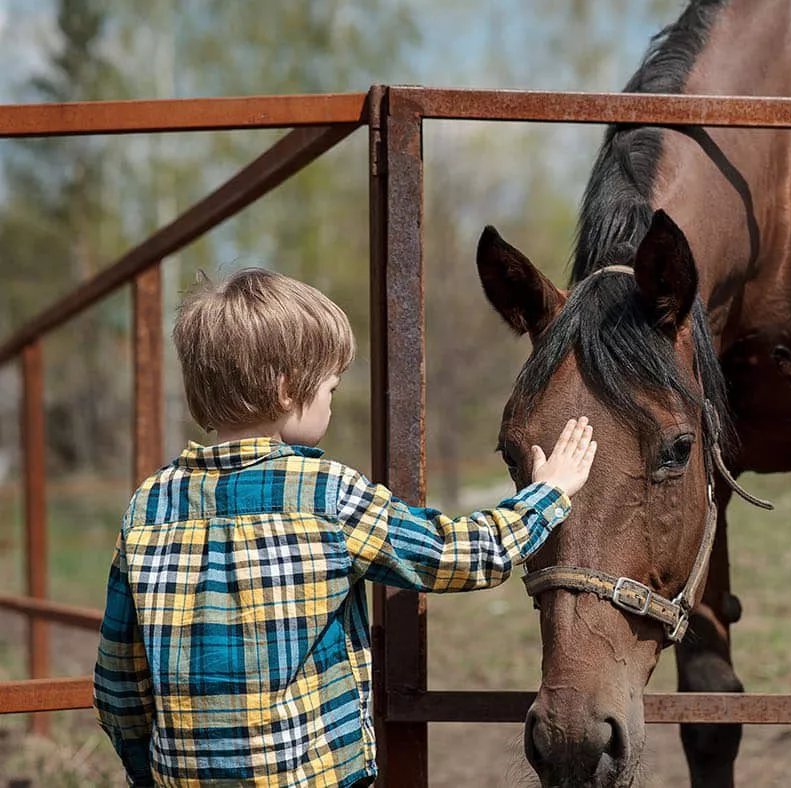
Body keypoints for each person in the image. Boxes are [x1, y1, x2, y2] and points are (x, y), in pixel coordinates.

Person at [93, 267, 595, 787]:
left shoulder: (148, 506)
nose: (332, 400)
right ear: (286, 388)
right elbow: (455, 556)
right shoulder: (326, 494)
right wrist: (548, 494)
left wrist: (148, 775)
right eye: (330, 387)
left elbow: (117, 683)